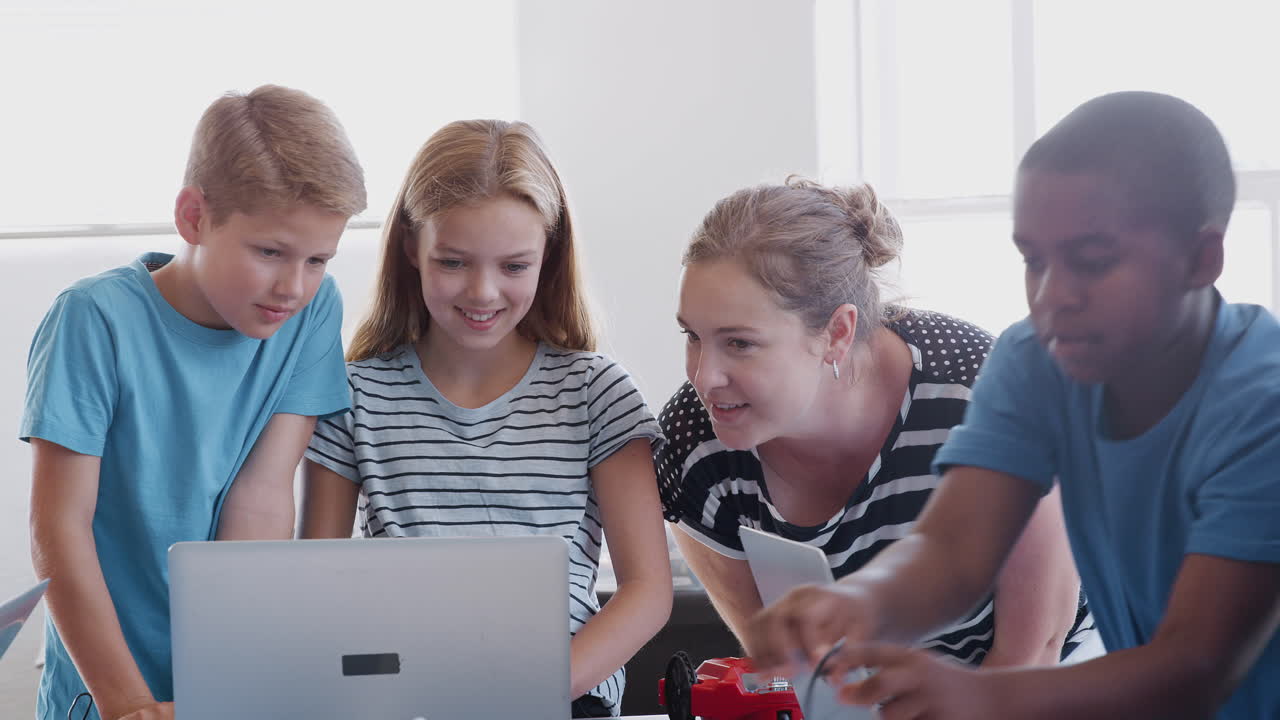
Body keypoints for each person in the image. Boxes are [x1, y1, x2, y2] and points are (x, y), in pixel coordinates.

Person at [746, 92, 1280, 719]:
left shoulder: (1262, 408)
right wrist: (862, 601)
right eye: (1033, 260)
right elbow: (954, 549)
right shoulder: (1037, 357)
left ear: (1202, 259)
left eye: (1092, 261)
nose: (1052, 297)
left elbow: (1194, 666)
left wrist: (982, 695)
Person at [299, 119, 672, 718]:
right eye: (453, 262)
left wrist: (542, 685)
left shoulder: (596, 390)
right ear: (410, 248)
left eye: (514, 267)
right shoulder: (354, 395)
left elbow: (647, 591)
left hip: (563, 699)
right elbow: (318, 583)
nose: (483, 292)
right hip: (407, 701)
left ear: (548, 257)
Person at [23, 85, 366, 720]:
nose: (293, 286)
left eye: (318, 259)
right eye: (269, 252)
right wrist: (130, 706)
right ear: (193, 217)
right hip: (100, 690)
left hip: (224, 684)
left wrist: (226, 687)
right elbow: (59, 530)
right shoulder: (94, 320)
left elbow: (262, 497)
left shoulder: (315, 311)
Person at [656, 177, 1094, 670]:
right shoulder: (693, 442)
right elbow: (791, 669)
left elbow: (1031, 654)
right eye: (692, 336)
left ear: (837, 333)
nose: (703, 376)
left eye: (739, 343)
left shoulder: (985, 395)